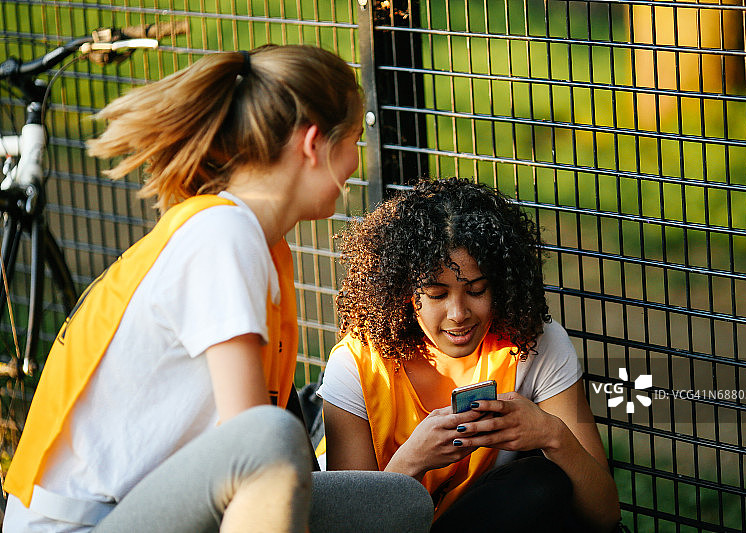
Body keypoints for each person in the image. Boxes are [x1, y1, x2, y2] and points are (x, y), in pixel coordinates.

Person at [2, 45, 432, 533]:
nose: (358, 161)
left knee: (397, 504)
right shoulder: (223, 238)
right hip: (85, 524)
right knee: (270, 436)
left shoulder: (255, 242)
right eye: (354, 139)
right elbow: (251, 444)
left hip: (151, 506)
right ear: (314, 144)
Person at [318, 178, 622, 532]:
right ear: (403, 290)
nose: (458, 313)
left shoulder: (532, 341)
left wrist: (552, 435)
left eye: (476, 289)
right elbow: (349, 526)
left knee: (541, 483)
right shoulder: (357, 364)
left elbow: (605, 515)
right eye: (435, 294)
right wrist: (413, 460)